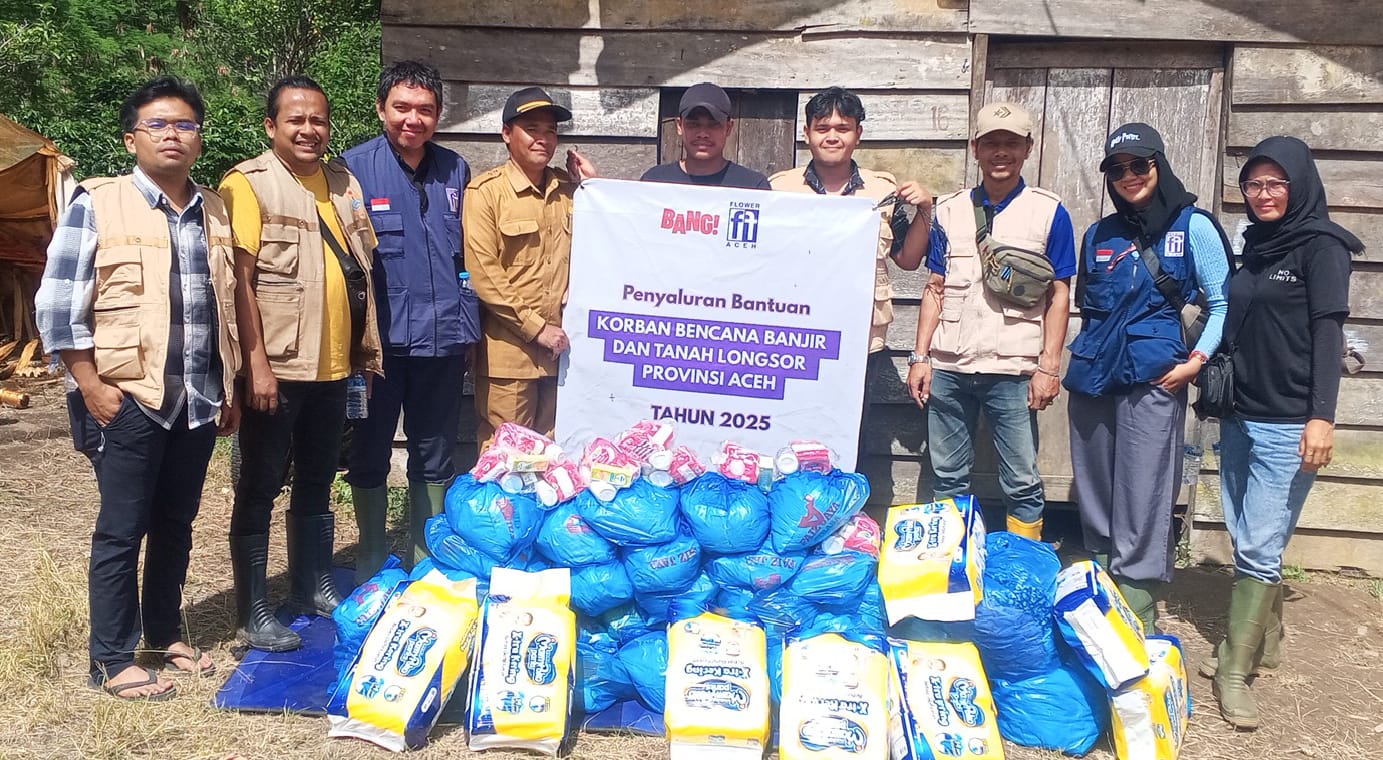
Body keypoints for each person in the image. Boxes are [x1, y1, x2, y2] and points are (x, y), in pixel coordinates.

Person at [36, 76, 237, 699]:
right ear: (132, 138)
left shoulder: (215, 210)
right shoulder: (98, 202)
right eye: (158, 125)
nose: (173, 135)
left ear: (200, 139)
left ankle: (163, 632)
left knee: (176, 523)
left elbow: (229, 306)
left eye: (185, 125)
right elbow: (58, 305)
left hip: (197, 399)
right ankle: (112, 657)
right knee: (123, 529)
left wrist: (226, 383)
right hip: (127, 398)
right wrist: (91, 385)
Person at [221, 75, 383, 651]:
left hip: (334, 364)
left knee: (317, 479)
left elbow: (360, 269)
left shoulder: (342, 181)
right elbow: (239, 281)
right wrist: (255, 367)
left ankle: (311, 585)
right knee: (261, 485)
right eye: (296, 120)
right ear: (271, 126)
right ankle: (253, 609)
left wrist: (364, 351)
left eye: (318, 119)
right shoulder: (249, 184)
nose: (309, 129)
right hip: (280, 368)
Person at [1207, 136, 1360, 730]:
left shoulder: (1322, 248)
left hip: (1290, 421)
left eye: (1275, 184)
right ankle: (1265, 643)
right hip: (1242, 414)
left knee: (1258, 544)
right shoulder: (1257, 247)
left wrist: (1322, 416)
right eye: (1254, 185)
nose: (1263, 195)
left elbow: (1328, 335)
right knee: (1247, 528)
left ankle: (1234, 671)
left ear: (1299, 185)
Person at [1063, 122, 1233, 632]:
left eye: (1140, 164)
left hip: (1155, 377)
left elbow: (1222, 303)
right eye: (1118, 169)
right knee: (1094, 480)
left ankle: (1137, 593)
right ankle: (1100, 576)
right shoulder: (1099, 234)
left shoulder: (1193, 226)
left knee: (1143, 485)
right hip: (1095, 373)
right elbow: (1087, 306)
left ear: (1160, 165)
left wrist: (1196, 362)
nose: (1129, 176)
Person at [905, 102, 1077, 541]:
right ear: (975, 149)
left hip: (1014, 372)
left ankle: (1023, 566)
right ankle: (950, 566)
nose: (1001, 152)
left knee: (1021, 480)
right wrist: (920, 357)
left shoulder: (1049, 211)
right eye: (992, 143)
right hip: (950, 367)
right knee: (946, 477)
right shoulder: (948, 210)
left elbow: (1059, 294)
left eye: (1011, 143)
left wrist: (1049, 367)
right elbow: (936, 286)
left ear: (1027, 149)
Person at [341, 61, 480, 582]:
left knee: (434, 451)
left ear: (439, 115)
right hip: (379, 348)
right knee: (371, 450)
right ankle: (373, 555)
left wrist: (468, 328)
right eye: (401, 107)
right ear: (382, 109)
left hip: (443, 343)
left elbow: (465, 259)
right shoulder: (352, 171)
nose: (412, 119)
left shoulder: (456, 171)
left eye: (424, 109)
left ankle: (427, 554)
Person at [769, 86, 930, 459]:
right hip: (793, 338)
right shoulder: (779, 188)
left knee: (849, 434)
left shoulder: (882, 191)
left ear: (858, 134)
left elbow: (907, 260)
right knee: (788, 429)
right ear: (806, 133)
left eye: (843, 127)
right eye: (822, 127)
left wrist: (925, 210)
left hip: (861, 343)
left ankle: (842, 510)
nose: (832, 135)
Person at [464, 87, 596, 443]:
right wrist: (537, 329)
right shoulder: (485, 193)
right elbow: (485, 274)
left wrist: (595, 187)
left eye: (551, 131)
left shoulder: (571, 191)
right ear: (507, 134)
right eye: (532, 128)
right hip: (510, 359)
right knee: (506, 460)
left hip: (564, 357)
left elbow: (607, 246)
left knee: (556, 458)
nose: (543, 138)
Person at [640, 82, 772, 190]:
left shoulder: (753, 186)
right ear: (679, 126)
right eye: (693, 124)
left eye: (713, 125)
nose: (703, 134)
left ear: (728, 128)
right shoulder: (654, 182)